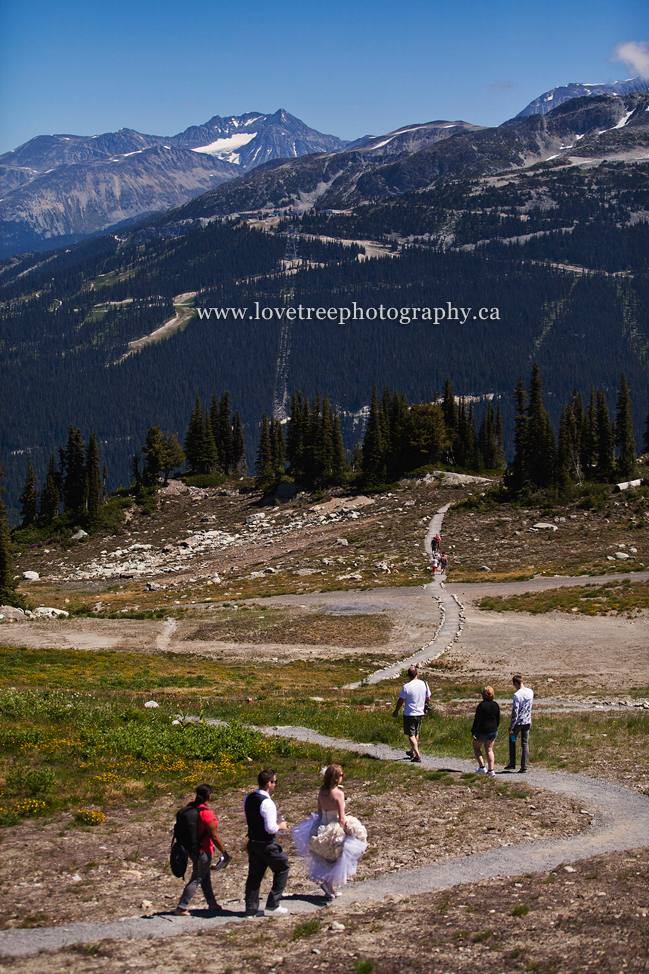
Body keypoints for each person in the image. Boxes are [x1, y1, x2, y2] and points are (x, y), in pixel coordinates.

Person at [291, 764, 368, 899]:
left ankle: (329, 886)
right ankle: (328, 884)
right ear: (337, 778)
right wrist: (349, 831)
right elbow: (341, 818)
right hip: (335, 826)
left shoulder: (322, 791)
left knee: (328, 858)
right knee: (339, 857)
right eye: (342, 775)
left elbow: (320, 811)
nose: (343, 777)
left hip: (322, 825)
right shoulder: (339, 793)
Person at [174, 783, 230, 916]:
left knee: (205, 877)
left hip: (191, 849)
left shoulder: (190, 807)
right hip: (203, 851)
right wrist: (224, 852)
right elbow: (214, 836)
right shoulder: (207, 813)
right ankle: (181, 907)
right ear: (209, 796)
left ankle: (212, 903)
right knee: (197, 878)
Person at [243, 768, 290, 917]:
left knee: (254, 876)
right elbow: (270, 828)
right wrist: (281, 826)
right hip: (267, 844)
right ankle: (273, 903)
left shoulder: (248, 798)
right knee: (282, 867)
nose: (275, 784)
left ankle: (251, 908)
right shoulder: (268, 803)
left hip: (253, 841)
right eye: (275, 782)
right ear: (269, 783)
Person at [393, 665, 431, 763]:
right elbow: (428, 697)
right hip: (420, 712)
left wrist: (396, 710)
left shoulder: (406, 687)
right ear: (417, 674)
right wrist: (426, 707)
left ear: (408, 675)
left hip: (410, 713)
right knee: (416, 732)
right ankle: (412, 751)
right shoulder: (424, 684)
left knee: (411, 734)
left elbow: (401, 700)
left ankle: (417, 755)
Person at [504, 674, 534, 773]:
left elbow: (515, 711)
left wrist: (511, 726)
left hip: (518, 723)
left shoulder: (517, 694)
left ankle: (512, 763)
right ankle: (524, 765)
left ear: (516, 683)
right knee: (525, 743)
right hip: (527, 721)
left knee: (512, 740)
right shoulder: (530, 692)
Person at [471, 686, 500, 776]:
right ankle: (491, 770)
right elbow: (498, 718)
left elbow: (477, 720)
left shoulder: (481, 706)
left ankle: (482, 767)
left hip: (482, 731)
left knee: (476, 748)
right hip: (493, 730)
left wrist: (474, 731)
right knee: (489, 749)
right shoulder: (495, 704)